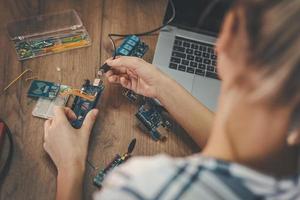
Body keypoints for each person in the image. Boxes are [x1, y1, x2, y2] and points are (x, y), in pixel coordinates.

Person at [43, 0, 300, 199]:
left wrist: (70, 166)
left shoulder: (145, 187)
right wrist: (160, 86)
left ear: (228, 38)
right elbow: (238, 155)